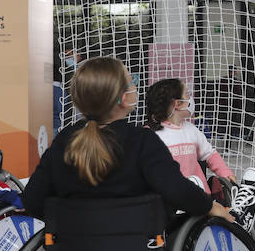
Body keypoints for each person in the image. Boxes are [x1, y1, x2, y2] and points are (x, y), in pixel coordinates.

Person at [22, 57, 232, 225]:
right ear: (123, 98)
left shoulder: (63, 142)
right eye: (131, 80)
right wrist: (211, 206)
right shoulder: (142, 141)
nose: (135, 85)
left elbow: (32, 201)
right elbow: (177, 190)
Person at [143, 78, 238, 196]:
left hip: (200, 197)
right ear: (177, 104)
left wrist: (225, 172)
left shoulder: (192, 130)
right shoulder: (149, 135)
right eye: (187, 94)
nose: (190, 98)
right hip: (168, 201)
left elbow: (209, 154)